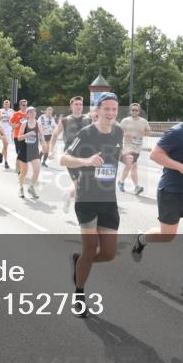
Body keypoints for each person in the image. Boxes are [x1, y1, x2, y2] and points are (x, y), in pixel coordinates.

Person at [131, 97, 183, 302]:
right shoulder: (176, 132)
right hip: (172, 191)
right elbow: (155, 154)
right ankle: (141, 240)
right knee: (167, 235)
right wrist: (180, 167)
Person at [61, 93, 133, 318]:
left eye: (114, 109)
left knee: (110, 253)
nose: (111, 113)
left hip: (108, 200)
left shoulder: (119, 130)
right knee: (90, 248)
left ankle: (79, 260)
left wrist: (124, 158)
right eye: (107, 109)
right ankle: (79, 294)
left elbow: (117, 149)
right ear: (98, 110)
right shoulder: (86, 133)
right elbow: (64, 159)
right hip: (87, 199)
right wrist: (86, 161)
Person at [49, 96, 91, 212]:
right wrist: (51, 151)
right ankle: (81, 216)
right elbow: (55, 135)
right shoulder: (65, 120)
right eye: (76, 104)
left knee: (82, 184)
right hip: (70, 156)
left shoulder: (89, 119)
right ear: (71, 106)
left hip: (87, 155)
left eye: (80, 104)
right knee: (79, 184)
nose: (78, 106)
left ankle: (68, 195)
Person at [118, 102, 151, 195]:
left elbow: (149, 132)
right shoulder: (125, 121)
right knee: (129, 163)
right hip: (127, 147)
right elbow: (118, 133)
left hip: (137, 148)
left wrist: (142, 133)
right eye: (133, 110)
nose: (134, 111)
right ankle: (122, 182)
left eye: (136, 110)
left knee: (134, 167)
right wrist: (126, 134)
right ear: (130, 111)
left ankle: (135, 186)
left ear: (139, 111)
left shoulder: (143, 121)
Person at [20, 107, 43, 199]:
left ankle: (31, 187)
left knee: (37, 170)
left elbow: (41, 135)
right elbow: (19, 137)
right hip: (24, 150)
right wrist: (27, 134)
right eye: (31, 112)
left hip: (34, 150)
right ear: (27, 114)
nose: (33, 113)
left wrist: (44, 143)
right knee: (24, 172)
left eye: (34, 111)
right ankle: (21, 188)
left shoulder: (38, 123)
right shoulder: (24, 124)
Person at [11, 99, 30, 196]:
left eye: (26, 105)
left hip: (26, 138)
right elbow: (11, 123)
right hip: (17, 136)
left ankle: (20, 170)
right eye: (23, 105)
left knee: (22, 154)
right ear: (20, 105)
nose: (24, 106)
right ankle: (19, 170)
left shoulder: (28, 114)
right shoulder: (16, 114)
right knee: (19, 153)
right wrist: (16, 125)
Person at [0, 99, 14, 169]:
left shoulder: (12, 111)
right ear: (3, 104)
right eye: (5, 104)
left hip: (9, 130)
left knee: (6, 146)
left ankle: (1, 154)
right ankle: (6, 162)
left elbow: (14, 120)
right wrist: (0, 117)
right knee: (6, 145)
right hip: (2, 130)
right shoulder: (0, 111)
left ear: (9, 105)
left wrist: (14, 129)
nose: (6, 105)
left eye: (8, 104)